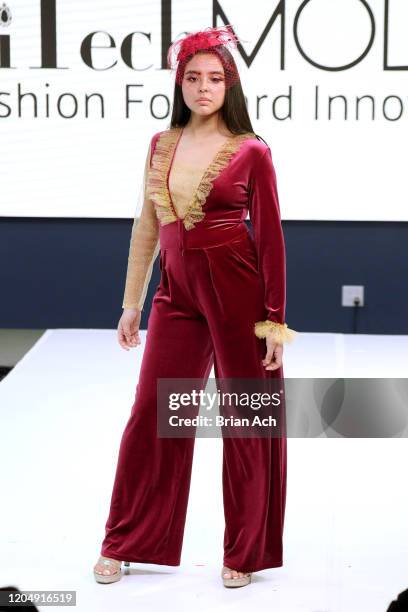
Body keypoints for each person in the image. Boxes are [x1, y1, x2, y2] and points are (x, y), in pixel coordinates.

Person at [93, 24, 297, 589]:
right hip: (176, 293)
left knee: (247, 419)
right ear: (179, 83)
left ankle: (246, 550)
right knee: (153, 414)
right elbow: (146, 227)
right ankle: (128, 539)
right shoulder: (161, 144)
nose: (202, 88)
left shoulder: (252, 150)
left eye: (213, 78)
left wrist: (273, 322)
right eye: (192, 77)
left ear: (228, 84)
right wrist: (131, 303)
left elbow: (272, 238)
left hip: (238, 291)